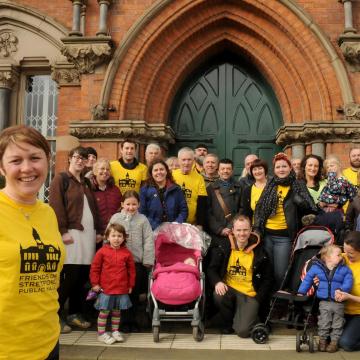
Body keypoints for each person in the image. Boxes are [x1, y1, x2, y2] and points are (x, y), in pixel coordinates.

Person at [0, 125, 65, 360]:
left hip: (47, 343)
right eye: (16, 160)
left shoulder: (47, 213)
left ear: (47, 161)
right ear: (1, 167)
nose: (27, 168)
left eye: (35, 158)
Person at [49, 146, 102, 333]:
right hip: (71, 234)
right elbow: (55, 206)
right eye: (76, 157)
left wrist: (98, 230)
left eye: (83, 158)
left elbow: (94, 209)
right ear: (69, 159)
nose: (80, 161)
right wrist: (62, 230)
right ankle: (53, 317)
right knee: (69, 276)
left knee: (82, 277)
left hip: (88, 235)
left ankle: (74, 314)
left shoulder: (86, 183)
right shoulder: (61, 179)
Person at [254, 152, 317, 287]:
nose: (281, 169)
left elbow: (311, 208)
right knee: (268, 271)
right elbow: (259, 208)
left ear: (290, 168)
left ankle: (281, 300)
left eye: (284, 166)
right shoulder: (271, 184)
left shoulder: (298, 184)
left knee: (280, 273)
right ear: (274, 169)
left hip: (284, 237)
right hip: (267, 235)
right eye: (278, 167)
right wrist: (257, 229)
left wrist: (298, 200)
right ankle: (271, 300)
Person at [207, 215, 273, 337]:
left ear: (250, 230)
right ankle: (228, 323)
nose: (242, 234)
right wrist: (217, 282)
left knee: (243, 332)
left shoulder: (260, 251)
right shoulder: (223, 246)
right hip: (230, 290)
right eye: (238, 230)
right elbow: (211, 269)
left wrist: (258, 299)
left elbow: (268, 279)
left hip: (250, 295)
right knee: (218, 295)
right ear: (232, 231)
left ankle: (251, 317)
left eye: (245, 230)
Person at [109, 190, 153, 332]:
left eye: (134, 204)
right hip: (118, 263)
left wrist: (147, 259)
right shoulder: (116, 218)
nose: (131, 207)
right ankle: (121, 322)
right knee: (120, 292)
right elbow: (108, 237)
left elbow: (148, 240)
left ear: (139, 205)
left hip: (136, 263)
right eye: (128, 204)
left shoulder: (143, 220)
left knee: (133, 292)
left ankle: (132, 321)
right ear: (122, 204)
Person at [298, 244, 353, 352]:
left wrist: (342, 290)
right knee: (324, 322)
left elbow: (348, 282)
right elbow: (308, 278)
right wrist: (302, 291)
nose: (341, 257)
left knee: (338, 323)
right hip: (324, 302)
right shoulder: (316, 268)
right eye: (338, 255)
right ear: (328, 257)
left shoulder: (344, 269)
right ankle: (322, 341)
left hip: (339, 302)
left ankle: (334, 343)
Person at [90, 223, 135, 345]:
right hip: (106, 288)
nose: (116, 238)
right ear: (107, 237)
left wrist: (130, 285)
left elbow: (131, 270)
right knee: (104, 312)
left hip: (121, 288)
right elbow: (95, 268)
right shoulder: (101, 252)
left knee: (117, 311)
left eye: (119, 236)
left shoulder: (127, 253)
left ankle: (115, 331)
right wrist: (95, 283)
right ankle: (101, 334)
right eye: (113, 235)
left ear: (124, 238)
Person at [139, 159, 188, 230]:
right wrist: (157, 228)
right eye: (155, 170)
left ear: (166, 171)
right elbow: (142, 213)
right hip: (152, 231)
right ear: (151, 173)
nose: (159, 172)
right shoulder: (144, 190)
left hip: (174, 231)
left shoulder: (176, 189)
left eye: (161, 169)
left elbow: (184, 210)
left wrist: (175, 225)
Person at [206, 158, 242, 247]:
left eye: (228, 169)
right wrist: (219, 229)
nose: (225, 171)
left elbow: (242, 209)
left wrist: (231, 227)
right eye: (223, 169)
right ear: (218, 171)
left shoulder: (240, 187)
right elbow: (207, 212)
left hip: (235, 231)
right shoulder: (210, 189)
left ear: (232, 171)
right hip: (216, 233)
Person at [335, 231, 360, 351]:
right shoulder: (342, 258)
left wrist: (349, 297)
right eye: (344, 250)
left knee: (346, 343)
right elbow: (318, 262)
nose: (346, 255)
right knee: (331, 339)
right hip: (342, 311)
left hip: (358, 313)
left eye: (351, 253)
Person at [172, 147, 207, 228]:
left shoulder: (199, 178)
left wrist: (200, 224)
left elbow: (202, 203)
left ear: (193, 160)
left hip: (192, 224)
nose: (186, 163)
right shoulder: (171, 175)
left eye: (189, 159)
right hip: (173, 222)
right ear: (178, 160)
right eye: (183, 160)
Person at [90, 158, 122, 236]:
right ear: (95, 172)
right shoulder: (89, 190)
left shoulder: (116, 190)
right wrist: (97, 233)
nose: (105, 171)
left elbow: (121, 210)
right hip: (95, 234)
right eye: (102, 169)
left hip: (113, 234)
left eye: (107, 169)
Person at [241, 158, 268, 223]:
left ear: (265, 170)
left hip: (274, 227)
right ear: (252, 172)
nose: (257, 171)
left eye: (260, 168)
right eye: (254, 169)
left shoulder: (273, 186)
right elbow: (246, 213)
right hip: (255, 228)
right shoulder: (247, 190)